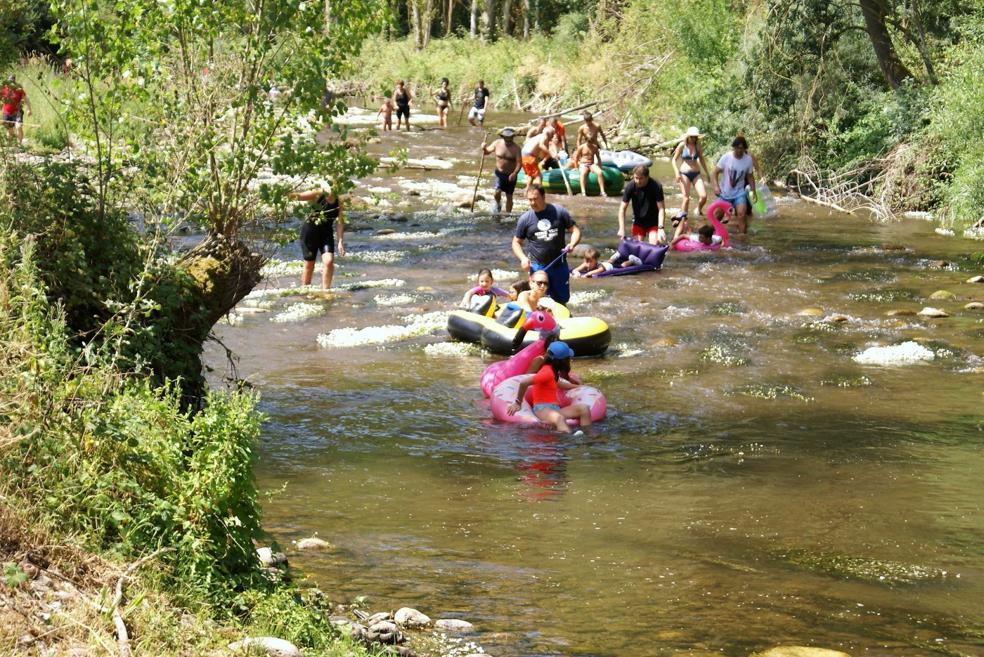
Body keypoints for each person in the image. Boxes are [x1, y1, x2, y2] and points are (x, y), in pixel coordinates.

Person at [512, 185, 581, 305]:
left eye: (535, 198)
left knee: (561, 300)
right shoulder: (525, 219)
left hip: (559, 265)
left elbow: (575, 231)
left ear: (544, 197)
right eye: (530, 199)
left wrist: (572, 244)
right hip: (538, 267)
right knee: (538, 300)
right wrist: (523, 258)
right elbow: (516, 242)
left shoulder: (559, 212)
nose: (532, 202)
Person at [507, 341, 591, 434]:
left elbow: (559, 384)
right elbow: (524, 382)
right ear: (562, 361)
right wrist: (518, 403)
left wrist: (578, 386)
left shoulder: (553, 371)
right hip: (542, 409)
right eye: (568, 358)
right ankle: (569, 440)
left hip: (554, 409)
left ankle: (587, 436)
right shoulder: (547, 372)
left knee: (584, 409)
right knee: (559, 418)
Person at [290, 186, 345, 289]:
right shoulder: (317, 194)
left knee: (328, 261)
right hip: (310, 232)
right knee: (309, 265)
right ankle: (305, 289)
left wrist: (340, 241)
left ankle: (326, 291)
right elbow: (299, 196)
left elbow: (340, 221)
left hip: (326, 234)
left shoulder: (339, 200)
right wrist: (283, 193)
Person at [670, 126, 711, 236]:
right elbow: (674, 160)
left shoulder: (698, 145)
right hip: (684, 173)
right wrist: (676, 172)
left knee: (703, 196)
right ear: (688, 136)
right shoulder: (682, 145)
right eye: (692, 136)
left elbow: (701, 159)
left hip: (696, 173)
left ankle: (698, 209)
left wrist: (707, 173)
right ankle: (683, 219)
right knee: (686, 198)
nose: (694, 138)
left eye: (695, 137)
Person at [713, 134, 756, 234]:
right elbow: (714, 173)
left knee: (741, 215)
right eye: (737, 148)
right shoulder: (726, 157)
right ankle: (711, 237)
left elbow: (750, 176)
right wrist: (716, 186)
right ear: (734, 147)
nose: (739, 150)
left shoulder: (748, 159)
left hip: (739, 193)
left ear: (745, 148)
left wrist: (754, 191)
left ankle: (742, 240)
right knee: (717, 216)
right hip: (724, 193)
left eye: (742, 148)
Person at [617, 165, 666, 245]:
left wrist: (661, 228)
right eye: (636, 178)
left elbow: (661, 208)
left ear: (647, 177)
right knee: (637, 247)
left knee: (653, 246)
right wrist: (622, 228)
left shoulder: (656, 186)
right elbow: (622, 208)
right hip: (638, 221)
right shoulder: (630, 186)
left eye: (641, 178)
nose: (638, 181)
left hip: (653, 221)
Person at [481, 127, 522, 213]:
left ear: (513, 137)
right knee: (497, 192)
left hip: (511, 175)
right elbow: (487, 152)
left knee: (509, 196)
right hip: (499, 174)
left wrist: (515, 173)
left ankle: (508, 214)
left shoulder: (516, 149)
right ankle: (498, 203)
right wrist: (484, 148)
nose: (508, 139)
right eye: (506, 137)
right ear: (502, 136)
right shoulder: (497, 143)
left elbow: (519, 163)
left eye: (510, 137)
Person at [571, 247, 642, 278]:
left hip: (608, 267)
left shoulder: (600, 267)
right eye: (587, 261)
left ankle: (632, 260)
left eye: (590, 261)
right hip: (606, 263)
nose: (588, 263)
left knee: (622, 265)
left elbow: (599, 270)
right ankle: (615, 257)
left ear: (596, 260)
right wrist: (576, 273)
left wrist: (587, 274)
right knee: (609, 261)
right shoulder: (585, 264)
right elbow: (575, 270)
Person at [1, 75, 31, 146]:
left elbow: (26, 99)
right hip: (7, 113)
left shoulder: (19, 90)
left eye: (12, 82)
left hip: (17, 112)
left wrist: (29, 109)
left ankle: (19, 145)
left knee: (18, 127)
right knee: (10, 131)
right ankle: (10, 146)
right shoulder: (3, 89)